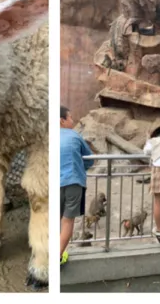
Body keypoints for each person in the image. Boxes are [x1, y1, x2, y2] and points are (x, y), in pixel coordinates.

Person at [60, 106, 93, 266]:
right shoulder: (75, 135)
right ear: (62, 120)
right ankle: (57, 256)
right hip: (73, 182)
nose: (73, 121)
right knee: (67, 221)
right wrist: (79, 167)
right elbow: (89, 159)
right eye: (71, 118)